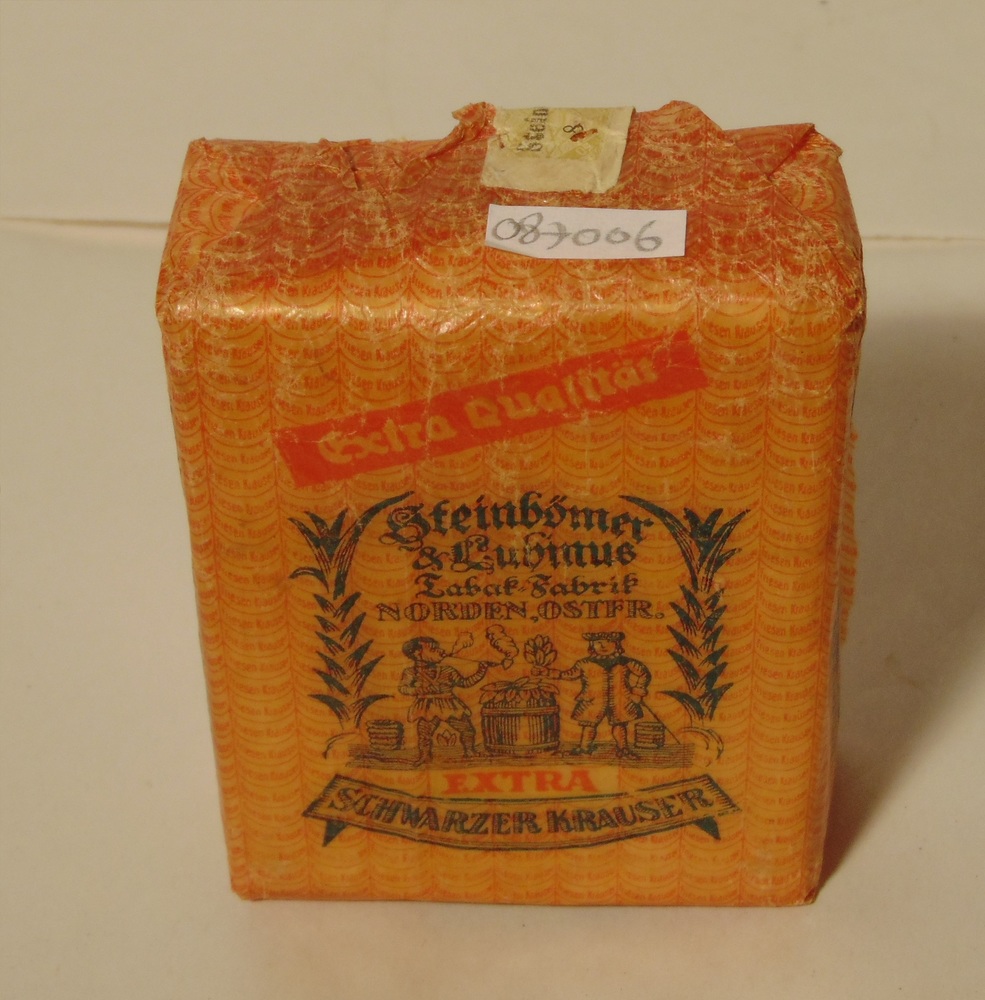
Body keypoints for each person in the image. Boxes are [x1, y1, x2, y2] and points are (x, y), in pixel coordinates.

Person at [535, 631, 651, 758]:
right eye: (598, 642)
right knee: (589, 725)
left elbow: (644, 673)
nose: (603, 646)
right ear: (592, 645)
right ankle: (584, 749)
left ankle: (623, 749)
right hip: (593, 700)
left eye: (608, 642)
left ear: (616, 644)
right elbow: (569, 674)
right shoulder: (584, 664)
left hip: (620, 699)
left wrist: (637, 692)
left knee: (620, 725)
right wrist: (548, 673)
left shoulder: (626, 662)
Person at [398, 636, 494, 764]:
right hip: (427, 706)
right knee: (424, 733)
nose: (441, 651)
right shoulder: (410, 672)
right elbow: (403, 688)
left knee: (467, 729)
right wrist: (420, 690)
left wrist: (481, 671)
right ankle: (425, 756)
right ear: (417, 653)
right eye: (433, 649)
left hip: (449, 704)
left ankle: (470, 751)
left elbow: (465, 683)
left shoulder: (447, 670)